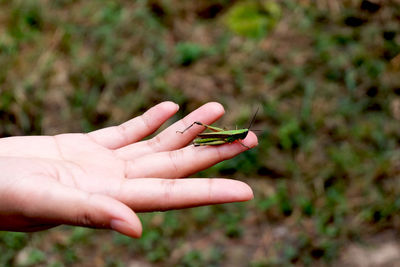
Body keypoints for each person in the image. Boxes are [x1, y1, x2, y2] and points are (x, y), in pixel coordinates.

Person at [0, 102, 258, 238]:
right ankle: (190, 133)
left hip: (221, 140)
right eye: (243, 135)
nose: (244, 135)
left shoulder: (238, 136)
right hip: (210, 139)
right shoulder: (234, 136)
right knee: (204, 124)